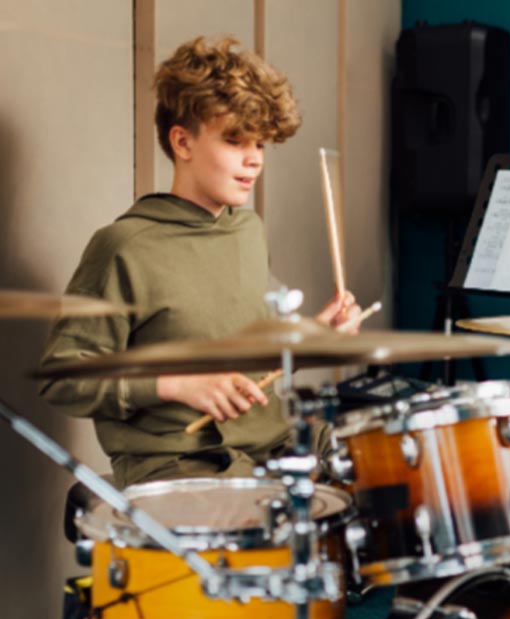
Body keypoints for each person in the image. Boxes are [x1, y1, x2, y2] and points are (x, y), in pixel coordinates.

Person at [38, 36, 361, 489]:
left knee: (392, 475)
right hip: (183, 463)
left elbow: (249, 363)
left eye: (261, 144)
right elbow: (61, 377)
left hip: (276, 442)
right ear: (182, 142)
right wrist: (175, 383)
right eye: (234, 140)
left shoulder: (247, 230)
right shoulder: (123, 246)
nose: (253, 160)